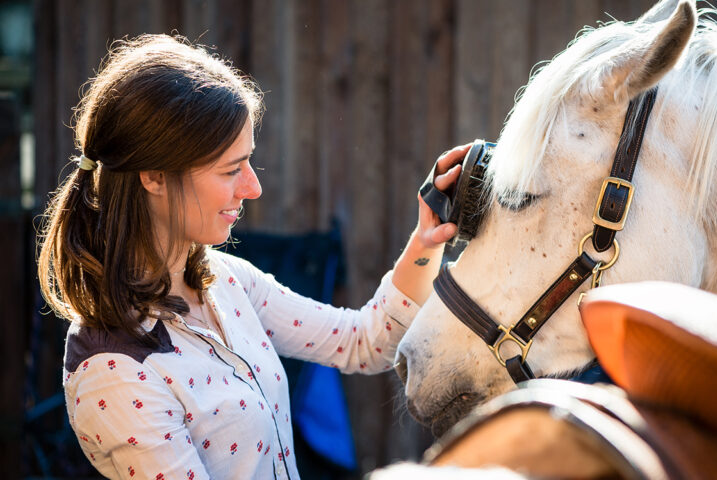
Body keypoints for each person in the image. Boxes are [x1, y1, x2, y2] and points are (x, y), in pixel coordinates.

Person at [37, 34, 468, 480]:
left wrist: (427, 239)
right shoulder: (115, 370)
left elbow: (363, 341)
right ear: (154, 177)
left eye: (249, 163)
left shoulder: (225, 281)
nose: (252, 188)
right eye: (230, 170)